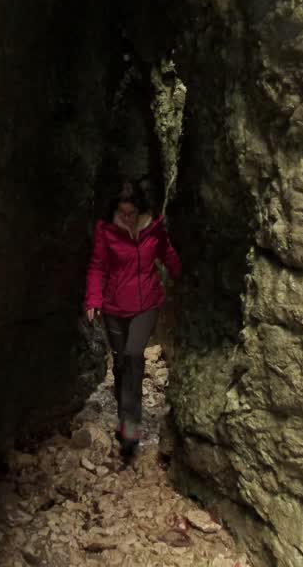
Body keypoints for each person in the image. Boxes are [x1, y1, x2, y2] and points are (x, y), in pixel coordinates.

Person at [85, 180, 182, 459]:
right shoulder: (107, 231)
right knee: (121, 363)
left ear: (139, 210)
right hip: (115, 307)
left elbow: (166, 253)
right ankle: (124, 415)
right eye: (122, 213)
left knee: (134, 355)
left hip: (147, 304)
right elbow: (97, 266)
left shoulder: (153, 227)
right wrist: (93, 299)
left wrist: (181, 274)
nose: (126, 218)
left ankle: (131, 426)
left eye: (131, 213)